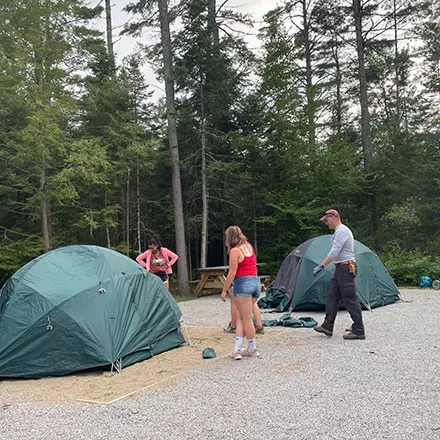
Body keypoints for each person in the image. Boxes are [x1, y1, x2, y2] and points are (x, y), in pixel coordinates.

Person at [313, 209, 366, 340]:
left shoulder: (341, 231)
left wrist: (322, 265)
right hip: (340, 268)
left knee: (350, 298)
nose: (326, 223)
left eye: (327, 220)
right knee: (333, 296)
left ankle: (359, 330)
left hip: (345, 268)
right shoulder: (339, 231)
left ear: (334, 217)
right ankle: (327, 325)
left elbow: (335, 251)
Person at [221, 226, 261, 360]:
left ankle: (252, 348)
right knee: (240, 318)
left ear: (230, 238)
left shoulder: (235, 251)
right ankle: (237, 349)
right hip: (255, 282)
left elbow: (232, 273)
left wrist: (224, 290)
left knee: (246, 319)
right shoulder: (248, 246)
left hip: (243, 284)